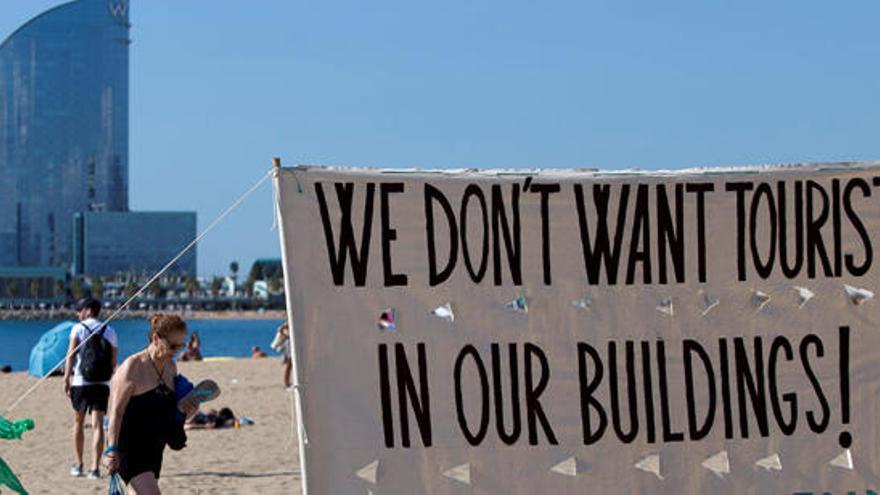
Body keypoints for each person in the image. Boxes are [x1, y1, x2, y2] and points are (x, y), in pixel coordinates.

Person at [103, 314, 198, 493]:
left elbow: (166, 407)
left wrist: (187, 410)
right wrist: (111, 449)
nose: (177, 350)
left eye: (181, 345)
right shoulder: (132, 367)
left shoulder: (171, 367)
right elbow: (116, 412)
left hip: (154, 447)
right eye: (172, 345)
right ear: (155, 338)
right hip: (129, 447)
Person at [63, 297, 118, 480]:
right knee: (97, 426)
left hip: (81, 381)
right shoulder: (109, 330)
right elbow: (113, 362)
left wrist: (66, 378)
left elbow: (71, 355)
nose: (78, 314)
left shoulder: (78, 329)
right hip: (101, 383)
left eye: (80, 310)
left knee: (78, 422)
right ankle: (94, 469)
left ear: (87, 310)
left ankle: (78, 465)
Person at [270, 322, 292, 389]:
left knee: (289, 365)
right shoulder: (289, 323)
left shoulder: (289, 323)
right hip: (288, 347)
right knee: (289, 365)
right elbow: (280, 329)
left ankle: (287, 382)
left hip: (289, 346)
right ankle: (286, 383)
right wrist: (287, 336)